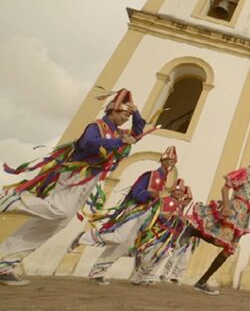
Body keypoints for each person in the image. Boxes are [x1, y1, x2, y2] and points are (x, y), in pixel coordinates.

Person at [0, 89, 146, 286]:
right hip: (76, 174)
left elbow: (138, 132)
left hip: (89, 181)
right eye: (124, 115)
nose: (125, 120)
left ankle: (5, 263)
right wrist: (119, 141)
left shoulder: (118, 132)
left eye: (128, 117)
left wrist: (136, 112)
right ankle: (11, 198)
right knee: (58, 210)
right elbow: (87, 144)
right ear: (113, 110)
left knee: (52, 224)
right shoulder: (97, 126)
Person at [70, 146, 177, 285]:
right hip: (135, 210)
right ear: (162, 160)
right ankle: (84, 237)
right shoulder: (150, 175)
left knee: (124, 245)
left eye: (173, 162)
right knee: (119, 237)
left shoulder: (163, 181)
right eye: (169, 160)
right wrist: (149, 194)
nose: (171, 163)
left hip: (144, 213)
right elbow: (136, 192)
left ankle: (98, 272)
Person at [187, 152, 250, 295]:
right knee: (223, 243)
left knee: (229, 249)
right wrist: (226, 206)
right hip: (235, 208)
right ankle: (193, 232)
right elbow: (225, 188)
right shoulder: (244, 173)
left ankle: (202, 280)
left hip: (245, 213)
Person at [133, 179, 191, 285]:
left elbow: (177, 222)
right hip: (156, 232)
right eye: (177, 191)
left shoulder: (179, 206)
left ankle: (144, 276)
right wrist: (173, 216)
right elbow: (159, 214)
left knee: (161, 255)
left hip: (168, 235)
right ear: (172, 191)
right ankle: (140, 274)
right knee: (147, 255)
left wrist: (181, 221)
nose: (179, 193)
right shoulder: (165, 200)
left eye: (181, 192)